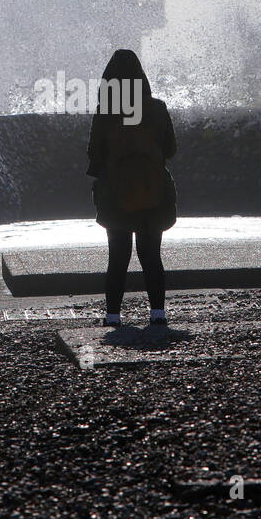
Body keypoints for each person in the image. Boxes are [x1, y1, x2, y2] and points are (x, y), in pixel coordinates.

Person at [85, 49, 177, 326]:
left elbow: (94, 155)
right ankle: (157, 313)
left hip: (115, 196)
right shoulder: (157, 108)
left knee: (118, 257)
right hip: (154, 194)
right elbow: (171, 149)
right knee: (151, 256)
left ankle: (113, 315)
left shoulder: (106, 113)